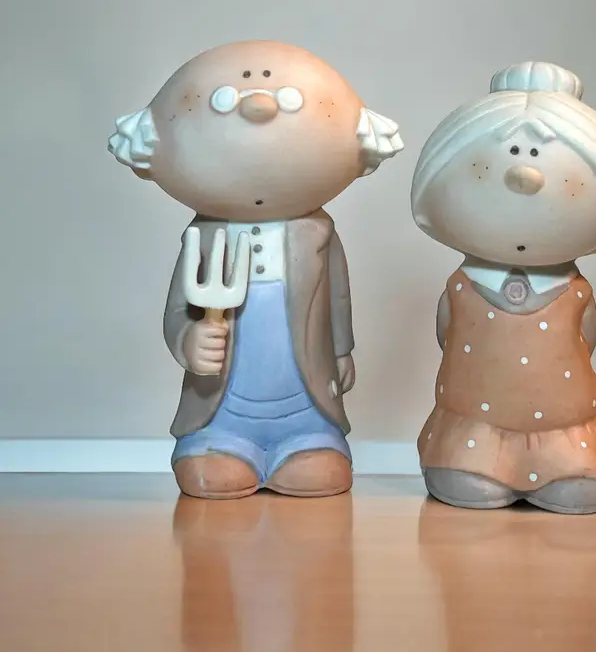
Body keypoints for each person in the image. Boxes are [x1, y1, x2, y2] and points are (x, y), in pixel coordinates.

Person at [108, 40, 403, 499]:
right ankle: (217, 443)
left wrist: (342, 351)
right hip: (221, 403)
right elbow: (177, 309)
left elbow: (338, 296)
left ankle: (307, 442)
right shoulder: (205, 238)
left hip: (305, 396)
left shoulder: (317, 234)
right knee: (212, 470)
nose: (260, 105)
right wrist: (189, 339)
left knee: (321, 471)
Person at [410, 61, 596, 513]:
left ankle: (566, 464)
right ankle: (471, 462)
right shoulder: (462, 287)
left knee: (579, 487)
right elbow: (448, 336)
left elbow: (585, 341)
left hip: (564, 425)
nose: (525, 175)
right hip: (473, 421)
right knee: (467, 476)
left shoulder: (575, 292)